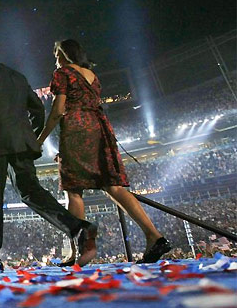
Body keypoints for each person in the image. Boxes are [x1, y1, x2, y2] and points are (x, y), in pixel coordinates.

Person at [36, 39, 171, 264]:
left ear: (65, 54)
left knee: (73, 189)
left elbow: (59, 109)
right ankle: (154, 235)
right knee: (113, 185)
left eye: (57, 53)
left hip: (77, 128)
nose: (55, 58)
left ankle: (79, 250)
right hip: (99, 127)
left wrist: (41, 138)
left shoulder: (62, 73)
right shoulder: (92, 75)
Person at [0, 38, 98, 270]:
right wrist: (32, 137)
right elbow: (38, 108)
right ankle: (79, 227)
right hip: (21, 143)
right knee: (31, 191)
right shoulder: (17, 76)